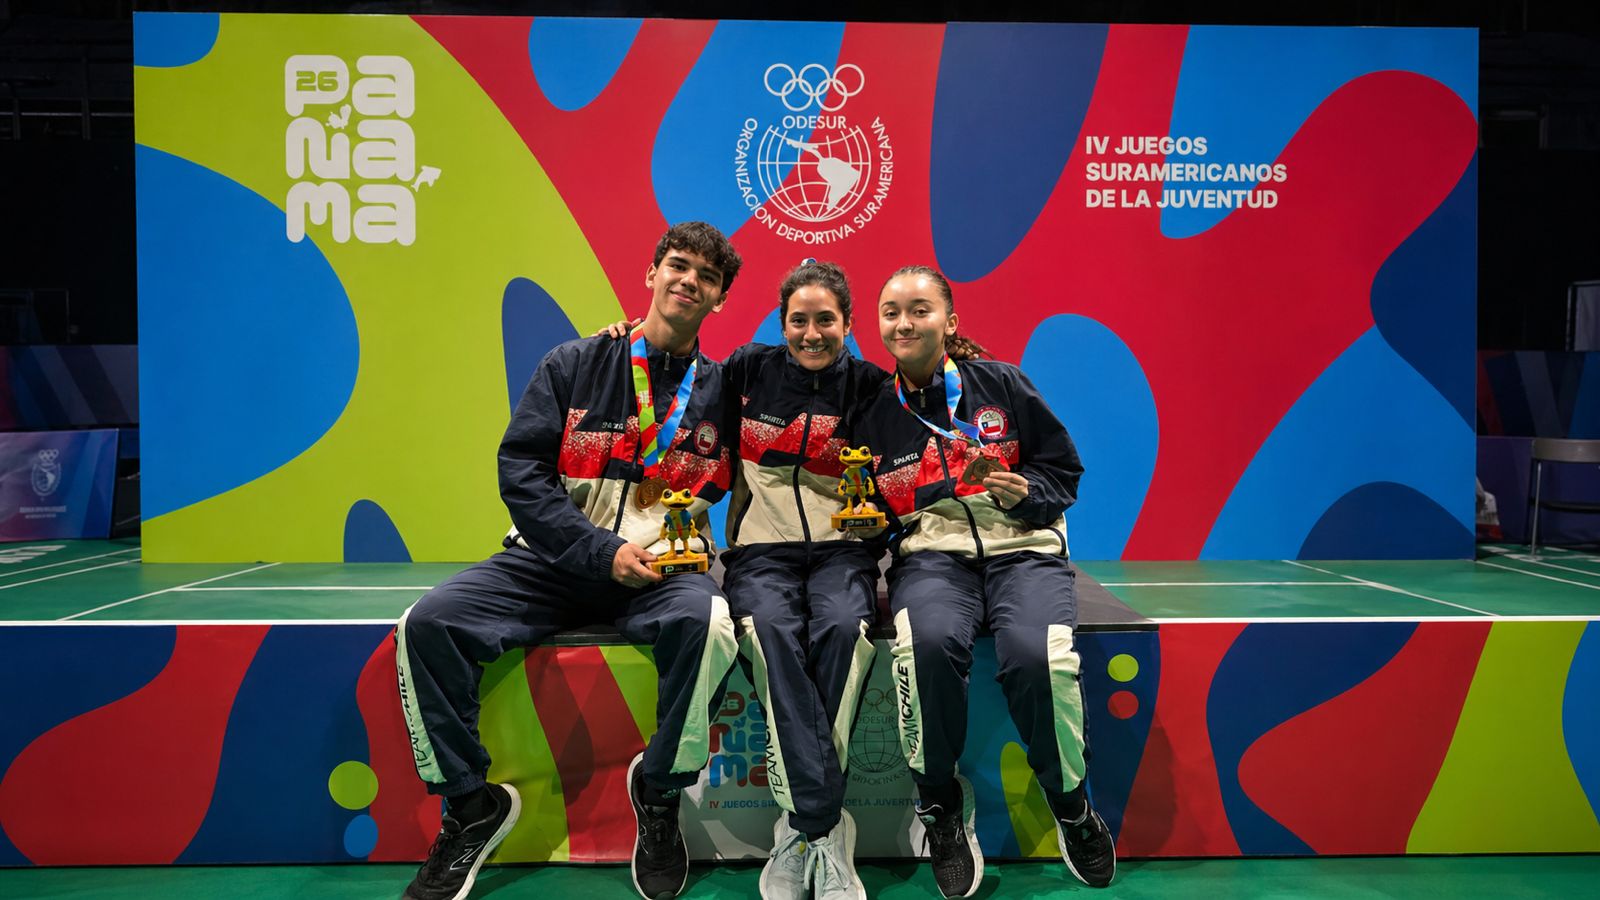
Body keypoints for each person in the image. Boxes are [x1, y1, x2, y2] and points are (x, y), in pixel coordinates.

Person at [394, 222, 744, 900]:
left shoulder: (725, 391)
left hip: (662, 574)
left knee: (711, 627)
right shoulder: (575, 364)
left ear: (720, 299)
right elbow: (521, 470)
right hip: (554, 562)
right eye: (677, 265)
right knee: (427, 623)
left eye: (705, 277)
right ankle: (471, 806)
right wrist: (598, 552)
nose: (688, 281)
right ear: (651, 273)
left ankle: (660, 793)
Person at [600, 260, 886, 900]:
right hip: (761, 554)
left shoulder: (871, 386)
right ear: (782, 322)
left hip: (843, 556)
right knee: (770, 634)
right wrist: (628, 340)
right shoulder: (748, 372)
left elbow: (897, 472)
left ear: (848, 323)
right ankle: (822, 826)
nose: (811, 334)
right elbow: (674, 388)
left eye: (826, 321)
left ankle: (801, 825)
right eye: (798, 320)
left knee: (843, 628)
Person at [854, 265, 1115, 896]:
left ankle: (1071, 803)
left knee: (1038, 656)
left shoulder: (1000, 384)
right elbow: (873, 507)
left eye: (919, 309)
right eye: (891, 311)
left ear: (950, 320)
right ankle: (940, 804)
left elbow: (1064, 472)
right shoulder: (873, 412)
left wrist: (1029, 495)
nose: (904, 322)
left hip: (1024, 552)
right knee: (924, 648)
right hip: (934, 561)